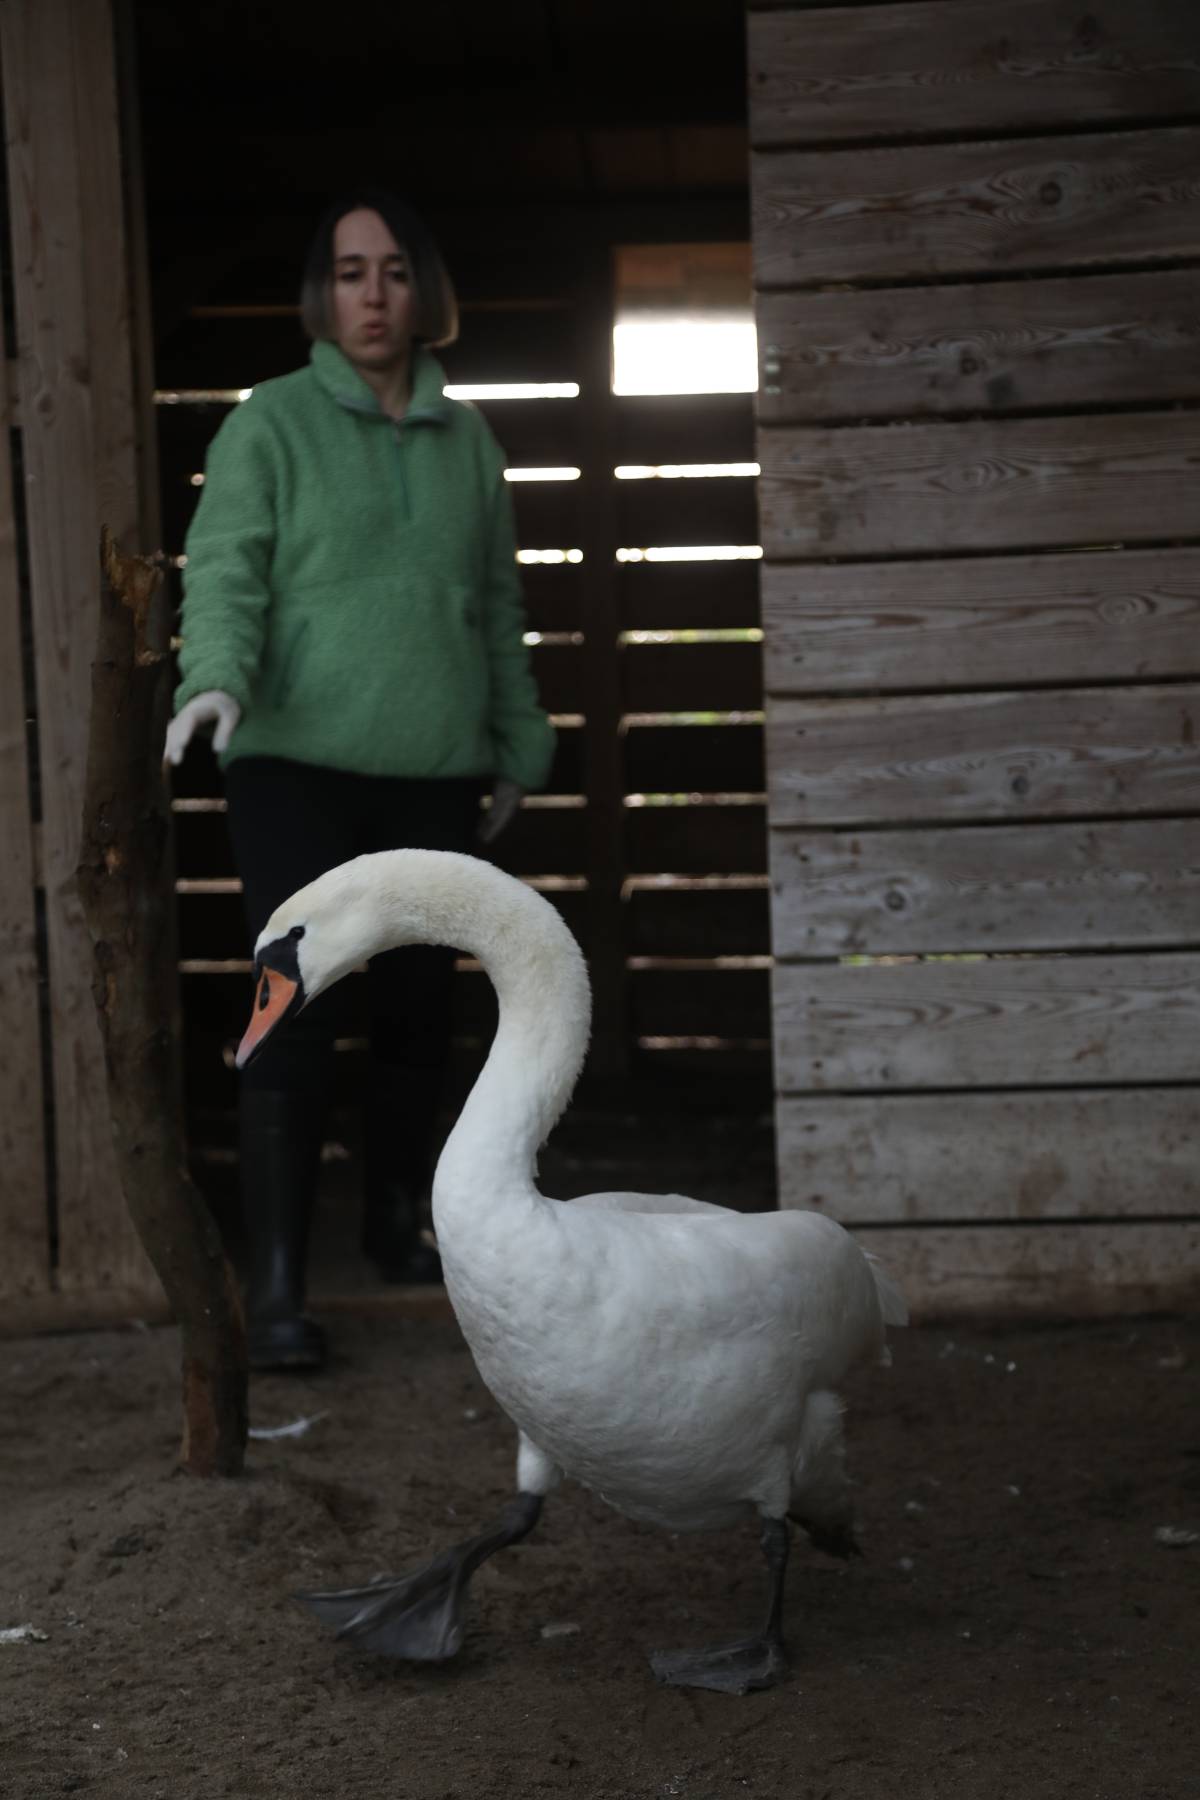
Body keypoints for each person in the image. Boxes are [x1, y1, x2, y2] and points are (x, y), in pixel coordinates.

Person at [164, 190, 555, 1373]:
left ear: (423, 289)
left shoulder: (470, 440)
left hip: (431, 768)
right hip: (291, 764)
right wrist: (215, 676)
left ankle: (398, 1229)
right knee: (290, 1005)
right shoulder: (268, 423)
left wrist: (517, 743)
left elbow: (495, 610)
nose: (372, 294)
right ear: (320, 294)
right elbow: (227, 563)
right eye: (348, 272)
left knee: (417, 1016)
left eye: (391, 271)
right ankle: (276, 1288)